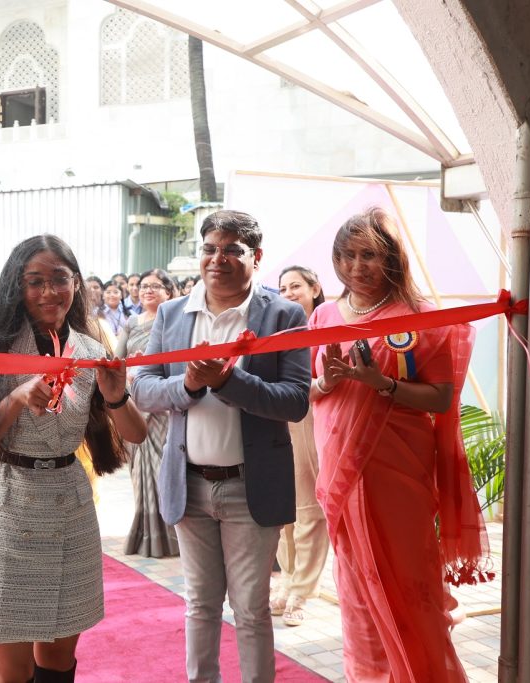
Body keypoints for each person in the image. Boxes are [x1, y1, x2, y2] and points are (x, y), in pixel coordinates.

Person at [0, 234, 146, 683]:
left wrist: (117, 396)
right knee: (11, 671)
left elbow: (136, 434)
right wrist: (17, 396)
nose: (48, 292)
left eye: (59, 279)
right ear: (15, 286)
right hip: (5, 508)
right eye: (34, 281)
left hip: (68, 509)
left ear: (76, 283)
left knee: (59, 662)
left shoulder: (91, 352)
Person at [308, 207, 487, 681]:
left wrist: (382, 384)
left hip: (398, 471)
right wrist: (327, 382)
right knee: (355, 592)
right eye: (347, 255)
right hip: (340, 476)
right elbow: (308, 390)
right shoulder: (324, 315)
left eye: (368, 255)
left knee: (408, 581)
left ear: (391, 258)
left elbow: (442, 396)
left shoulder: (421, 317)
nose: (356, 266)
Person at [133, 209, 309, 683]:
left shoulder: (284, 315)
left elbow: (295, 401)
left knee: (251, 608)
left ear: (256, 257)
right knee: (200, 604)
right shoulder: (173, 314)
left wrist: (230, 381)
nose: (218, 259)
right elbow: (144, 389)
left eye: (232, 250)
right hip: (189, 484)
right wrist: (188, 385)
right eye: (210, 248)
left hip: (251, 488)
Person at [270, 265, 330, 627]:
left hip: (311, 419)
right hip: (277, 420)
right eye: (283, 288)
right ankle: (288, 579)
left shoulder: (326, 326)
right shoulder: (278, 330)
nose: (289, 293)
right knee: (283, 511)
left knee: (309, 508)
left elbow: (328, 379)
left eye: (296, 286)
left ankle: (303, 591)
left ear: (315, 288)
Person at [116, 268, 179, 558]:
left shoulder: (174, 320)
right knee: (139, 471)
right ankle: (146, 534)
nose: (147, 290)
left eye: (155, 286)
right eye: (143, 286)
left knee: (161, 467)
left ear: (169, 291)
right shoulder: (132, 323)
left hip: (162, 403)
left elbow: (178, 361)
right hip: (134, 403)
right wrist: (128, 376)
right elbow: (117, 360)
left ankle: (171, 536)